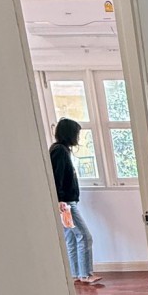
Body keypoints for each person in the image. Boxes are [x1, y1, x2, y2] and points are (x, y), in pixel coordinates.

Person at [49, 118, 101, 285]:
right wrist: (60, 200)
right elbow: (56, 177)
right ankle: (85, 274)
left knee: (71, 238)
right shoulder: (60, 151)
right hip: (65, 204)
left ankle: (75, 274)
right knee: (84, 236)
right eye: (77, 133)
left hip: (65, 202)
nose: (78, 137)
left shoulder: (61, 150)